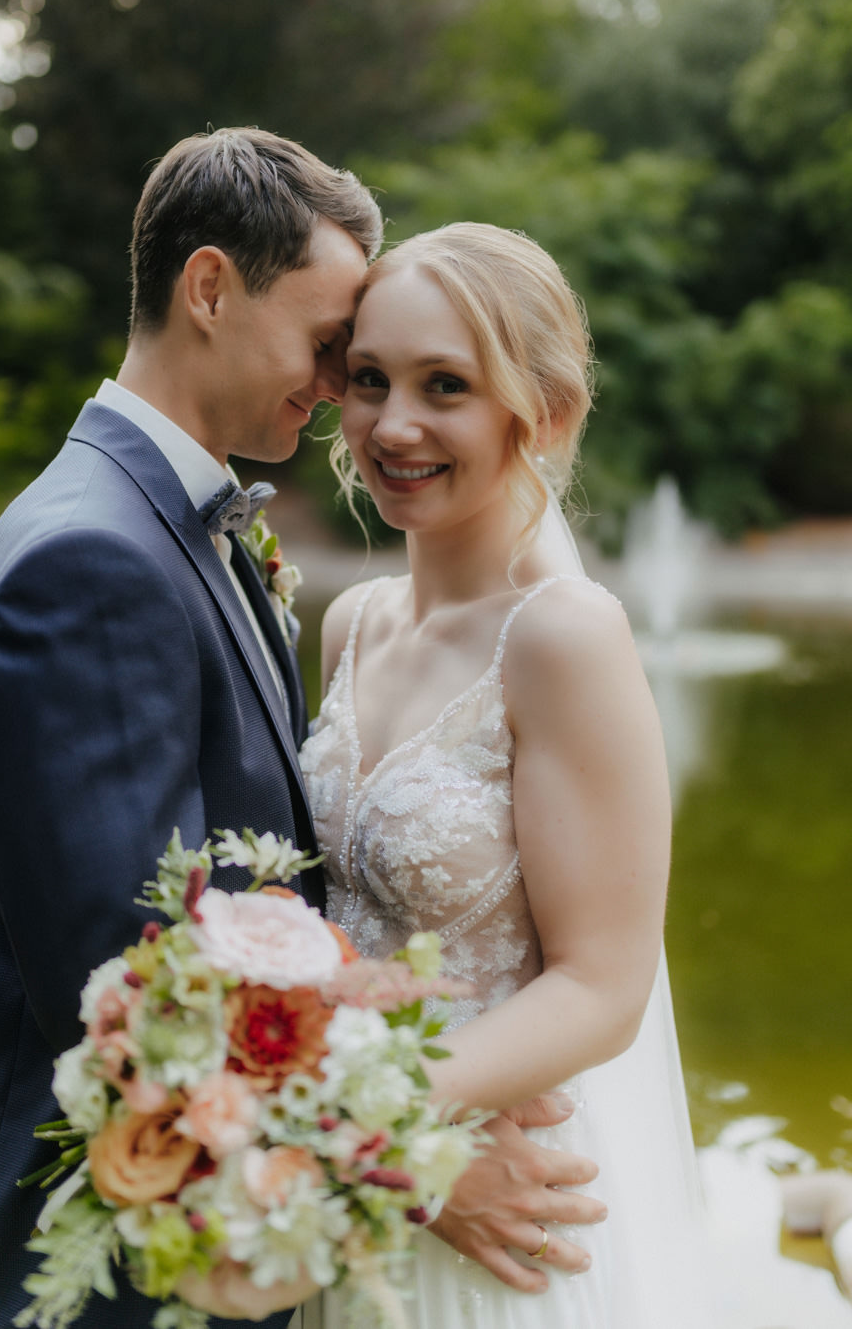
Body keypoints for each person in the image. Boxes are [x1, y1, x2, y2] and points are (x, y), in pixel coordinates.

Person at [0, 133, 601, 1329]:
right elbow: (132, 979)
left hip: (265, 1230)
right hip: (131, 1259)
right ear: (209, 288)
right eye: (333, 347)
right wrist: (407, 1166)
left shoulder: (177, 526)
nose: (341, 388)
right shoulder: (94, 559)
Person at [298, 222, 711, 1327]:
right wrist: (351, 1140)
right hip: (366, 1194)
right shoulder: (349, 625)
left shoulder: (563, 638)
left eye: (446, 386)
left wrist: (359, 1113)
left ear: (546, 412)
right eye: (371, 379)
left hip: (505, 1206)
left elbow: (603, 986)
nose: (394, 424)